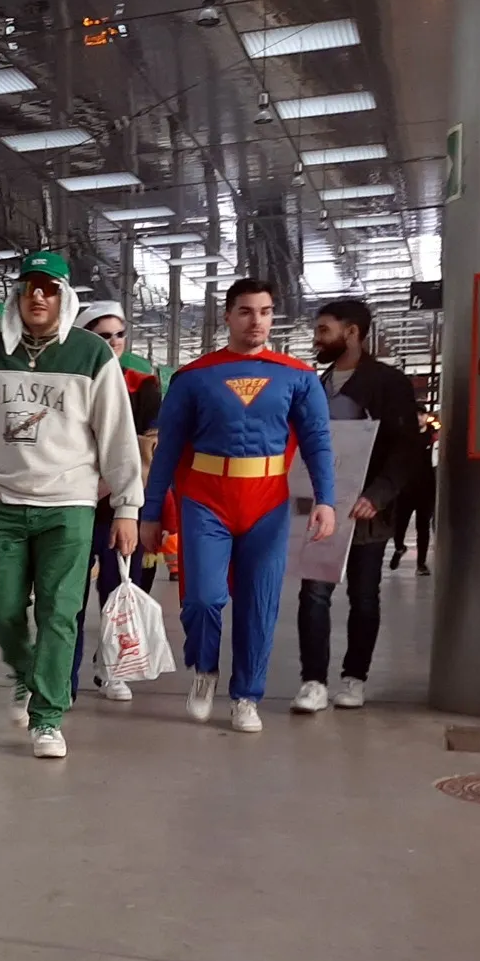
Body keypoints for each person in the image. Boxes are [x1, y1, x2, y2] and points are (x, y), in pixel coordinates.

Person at [0, 251, 145, 759]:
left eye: (48, 288)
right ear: (18, 296)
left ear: (64, 297)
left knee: (59, 613)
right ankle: (27, 673)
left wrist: (129, 508)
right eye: (30, 287)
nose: (38, 296)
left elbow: (118, 437)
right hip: (1, 503)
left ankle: (47, 718)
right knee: (0, 608)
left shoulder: (92, 356)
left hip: (69, 507)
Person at [139, 278, 336, 734]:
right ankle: (204, 670)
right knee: (203, 598)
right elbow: (166, 450)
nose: (257, 321)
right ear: (227, 316)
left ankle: (246, 695)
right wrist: (151, 512)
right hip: (206, 499)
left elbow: (318, 443)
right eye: (246, 311)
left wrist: (326, 500)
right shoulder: (194, 377)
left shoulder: (298, 377)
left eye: (265, 312)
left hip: (267, 501)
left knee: (259, 603)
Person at [291, 301, 422, 713]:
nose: (317, 338)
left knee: (365, 594)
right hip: (320, 505)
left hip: (369, 509)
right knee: (313, 592)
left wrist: (379, 494)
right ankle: (312, 681)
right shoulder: (315, 384)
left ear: (352, 333)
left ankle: (355, 676)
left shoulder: (387, 383)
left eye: (324, 330)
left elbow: (407, 449)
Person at [68, 301, 164, 703]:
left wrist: (102, 487)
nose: (113, 342)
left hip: (119, 508)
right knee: (67, 596)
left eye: (119, 334)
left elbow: (145, 449)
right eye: (103, 335)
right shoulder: (68, 379)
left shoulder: (142, 383)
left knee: (117, 590)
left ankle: (110, 668)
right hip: (71, 505)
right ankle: (63, 676)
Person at [391, 409, 436, 574]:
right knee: (399, 525)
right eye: (415, 414)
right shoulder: (405, 438)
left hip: (426, 491)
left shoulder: (434, 437)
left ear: (427, 416)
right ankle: (399, 547)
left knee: (423, 527)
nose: (419, 417)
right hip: (405, 490)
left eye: (422, 414)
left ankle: (421, 564)